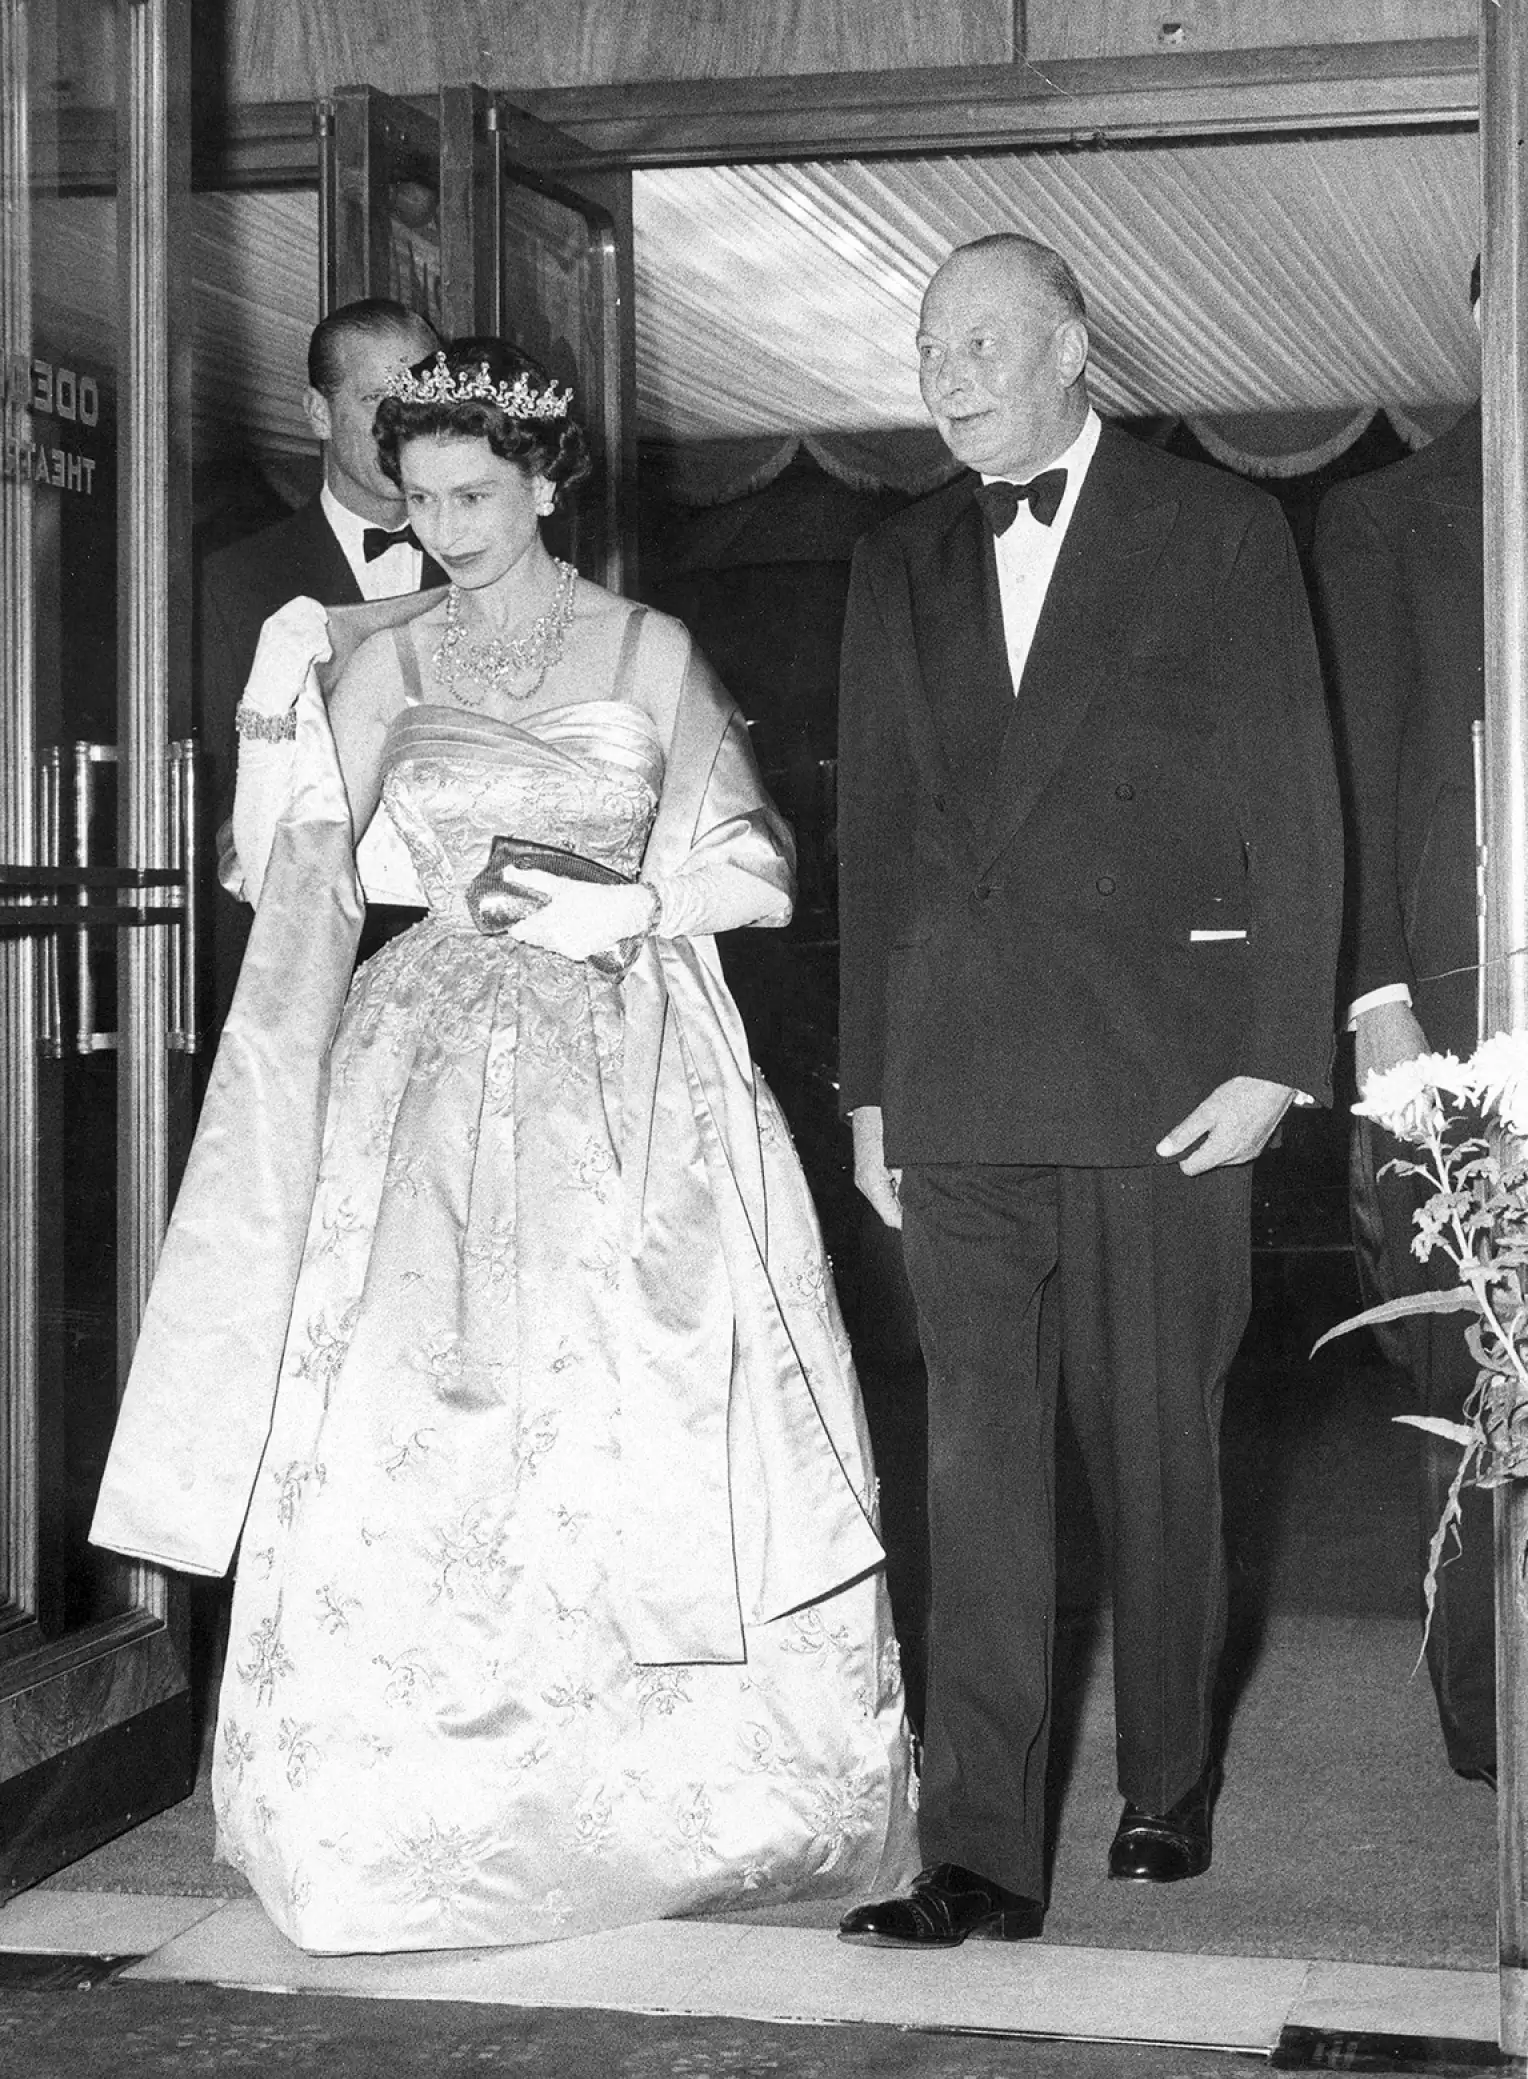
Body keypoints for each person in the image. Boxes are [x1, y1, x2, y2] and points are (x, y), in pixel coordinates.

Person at [90, 337, 915, 1954]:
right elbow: (297, 887)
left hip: (624, 1056)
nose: (446, 527)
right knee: (410, 1420)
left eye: (474, 493)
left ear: (546, 485)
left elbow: (758, 861)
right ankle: (404, 1819)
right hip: (421, 1063)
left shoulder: (645, 643)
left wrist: (645, 899)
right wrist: (280, 731)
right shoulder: (380, 658)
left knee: (620, 1409)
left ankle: (679, 1796)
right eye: (418, 500)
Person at [834, 234, 1342, 1947]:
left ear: (1073, 345)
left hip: (1166, 1079)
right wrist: (871, 1090)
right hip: (962, 1082)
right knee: (976, 1474)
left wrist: (1280, 1050)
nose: (950, 371)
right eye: (929, 347)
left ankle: (1165, 1782)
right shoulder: (897, 556)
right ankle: (976, 1847)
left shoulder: (1220, 525)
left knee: (1159, 1456)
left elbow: (1297, 793)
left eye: (982, 339)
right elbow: (877, 838)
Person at [1312, 260, 1495, 1789]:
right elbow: (1352, 792)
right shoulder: (1385, 523)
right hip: (1465, 1038)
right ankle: (1494, 1717)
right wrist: (1380, 1005)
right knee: (1469, 1382)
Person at [199, 297, 444, 1034]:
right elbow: (223, 813)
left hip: (457, 980)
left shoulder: (490, 569)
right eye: (377, 400)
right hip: (312, 983)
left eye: (422, 397)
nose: (405, 422)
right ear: (316, 412)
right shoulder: (235, 580)